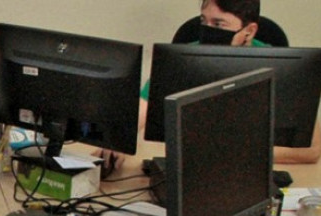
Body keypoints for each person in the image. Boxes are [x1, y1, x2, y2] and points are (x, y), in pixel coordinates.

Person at [100, 0, 321, 170]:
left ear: (249, 31)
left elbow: (312, 151)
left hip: (248, 173)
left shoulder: (280, 66)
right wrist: (118, 139)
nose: (208, 29)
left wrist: (231, 153)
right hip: (187, 168)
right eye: (204, 21)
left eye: (218, 24)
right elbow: (143, 107)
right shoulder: (183, 58)